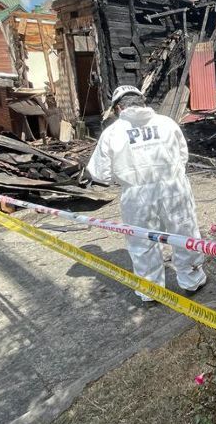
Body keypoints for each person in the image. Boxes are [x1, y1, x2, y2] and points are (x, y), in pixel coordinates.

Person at [87, 85, 207, 301]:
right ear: (142, 101)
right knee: (185, 234)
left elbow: (99, 174)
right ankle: (192, 280)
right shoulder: (167, 124)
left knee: (142, 242)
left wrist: (123, 176)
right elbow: (183, 155)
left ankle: (151, 292)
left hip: (136, 195)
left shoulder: (112, 133)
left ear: (118, 108)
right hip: (174, 188)